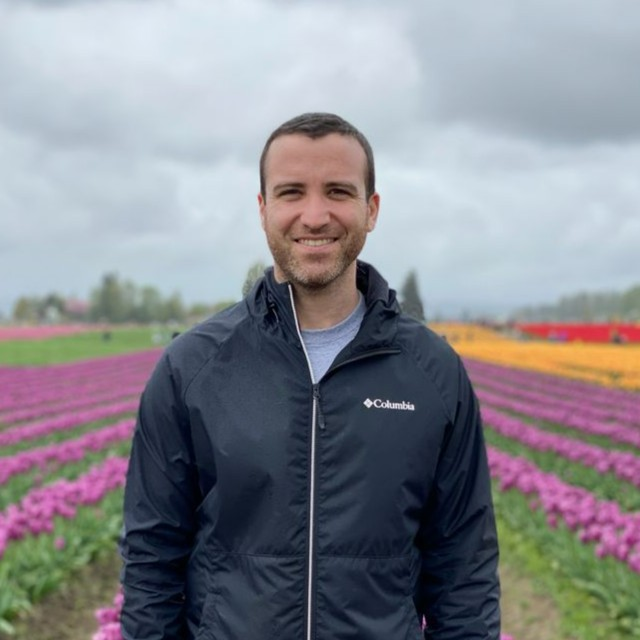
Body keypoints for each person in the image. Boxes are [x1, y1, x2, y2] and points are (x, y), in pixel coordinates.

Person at [119, 112, 501, 639]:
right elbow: (151, 561)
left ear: (371, 209)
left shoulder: (432, 372)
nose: (315, 216)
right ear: (263, 209)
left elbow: (464, 567)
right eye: (292, 192)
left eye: (338, 192)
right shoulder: (192, 368)